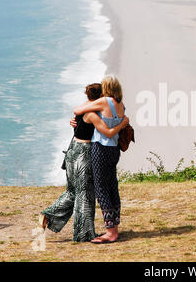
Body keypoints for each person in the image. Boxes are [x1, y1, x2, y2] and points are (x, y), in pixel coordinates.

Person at [39, 83, 129, 242]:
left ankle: (47, 215)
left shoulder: (84, 109)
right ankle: (83, 233)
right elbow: (107, 131)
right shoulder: (94, 113)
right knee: (85, 195)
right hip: (84, 153)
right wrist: (123, 122)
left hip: (73, 150)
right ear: (101, 97)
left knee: (73, 191)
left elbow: (78, 121)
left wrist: (74, 122)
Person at [73, 75, 125, 244]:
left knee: (101, 189)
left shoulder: (104, 102)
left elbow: (78, 110)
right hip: (114, 150)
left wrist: (79, 117)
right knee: (112, 186)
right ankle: (114, 227)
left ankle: (110, 232)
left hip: (100, 148)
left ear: (106, 88)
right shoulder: (120, 105)